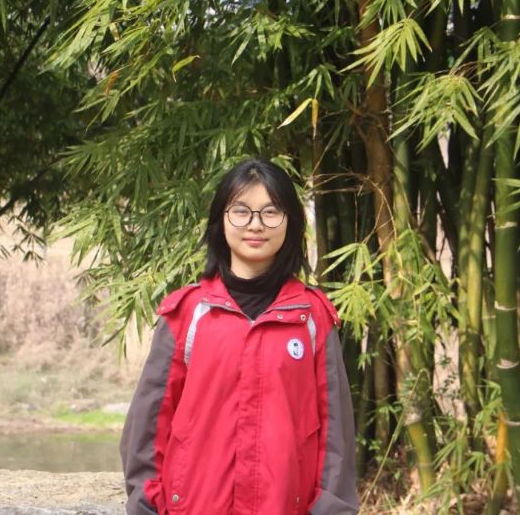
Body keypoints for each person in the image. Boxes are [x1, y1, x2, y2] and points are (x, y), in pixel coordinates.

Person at [120, 158, 359, 515]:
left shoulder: (311, 318)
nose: (256, 224)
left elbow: (335, 434)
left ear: (291, 222)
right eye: (241, 211)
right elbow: (150, 423)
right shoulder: (188, 314)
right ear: (221, 220)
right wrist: (146, 504)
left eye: (271, 212)